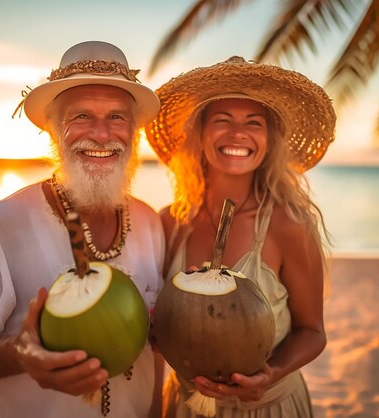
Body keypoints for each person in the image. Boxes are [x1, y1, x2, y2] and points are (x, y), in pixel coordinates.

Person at [0, 41, 166, 418]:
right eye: (81, 116)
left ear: (134, 133)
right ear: (54, 131)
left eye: (117, 117)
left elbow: (155, 351)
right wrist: (17, 354)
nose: (102, 134)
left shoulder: (152, 223)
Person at [145, 56, 336, 417]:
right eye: (222, 120)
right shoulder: (170, 223)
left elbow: (313, 331)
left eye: (254, 123)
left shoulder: (287, 224)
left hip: (269, 406)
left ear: (269, 140)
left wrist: (272, 373)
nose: (238, 133)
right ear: (199, 135)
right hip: (183, 406)